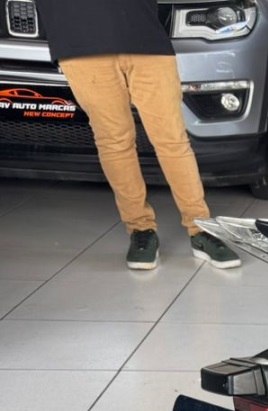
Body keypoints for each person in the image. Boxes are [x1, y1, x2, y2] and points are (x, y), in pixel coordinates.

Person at [34, 0, 240, 270]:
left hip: (144, 37)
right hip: (80, 42)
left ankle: (201, 229)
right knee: (114, 141)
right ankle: (140, 229)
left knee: (172, 139)